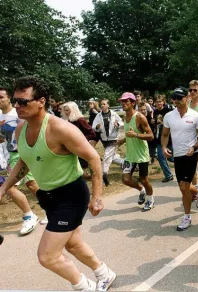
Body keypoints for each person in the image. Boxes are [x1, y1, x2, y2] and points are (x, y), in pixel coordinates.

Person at [0, 76, 116, 291]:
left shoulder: (60, 128)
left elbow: (93, 158)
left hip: (71, 196)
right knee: (73, 243)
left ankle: (84, 287)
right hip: (47, 196)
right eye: (15, 101)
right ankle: (104, 273)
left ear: (41, 101)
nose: (17, 106)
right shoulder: (20, 130)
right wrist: (3, 188)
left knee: (47, 256)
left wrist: (97, 195)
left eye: (23, 101)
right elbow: (24, 161)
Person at [162, 87, 198, 231]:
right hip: (178, 155)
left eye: (180, 97)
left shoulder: (196, 116)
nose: (177, 100)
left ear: (187, 98)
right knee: (183, 186)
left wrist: (194, 147)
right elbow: (165, 135)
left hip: (191, 154)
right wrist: (163, 147)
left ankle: (187, 217)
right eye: (174, 98)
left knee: (183, 187)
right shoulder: (168, 116)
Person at [0, 86, 41, 234]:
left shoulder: (18, 113)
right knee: (31, 184)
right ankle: (51, 209)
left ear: (9, 98)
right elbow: (3, 139)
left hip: (22, 153)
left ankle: (29, 215)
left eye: (1, 97)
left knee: (9, 187)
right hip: (12, 154)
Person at [119, 92, 155, 212]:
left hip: (141, 155)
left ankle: (150, 200)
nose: (123, 103)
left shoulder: (139, 117)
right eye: (122, 101)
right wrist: (122, 140)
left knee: (144, 179)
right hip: (130, 155)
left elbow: (151, 136)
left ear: (133, 103)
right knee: (125, 179)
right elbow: (130, 134)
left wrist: (136, 135)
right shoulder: (125, 117)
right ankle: (141, 190)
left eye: (126, 101)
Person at [92, 99, 124, 186]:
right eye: (101, 104)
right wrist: (97, 126)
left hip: (113, 139)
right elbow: (93, 126)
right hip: (104, 139)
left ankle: (104, 174)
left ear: (108, 105)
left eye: (104, 104)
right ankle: (126, 164)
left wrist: (118, 124)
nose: (102, 106)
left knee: (106, 155)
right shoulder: (98, 115)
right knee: (111, 157)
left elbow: (121, 122)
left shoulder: (113, 114)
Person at [62, 101, 97, 180]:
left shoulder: (80, 120)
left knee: (84, 172)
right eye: (65, 110)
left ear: (73, 109)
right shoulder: (68, 121)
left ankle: (96, 177)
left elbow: (92, 133)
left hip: (82, 148)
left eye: (67, 110)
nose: (66, 112)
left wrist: (80, 139)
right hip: (72, 148)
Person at [153, 95, 174, 182]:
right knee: (160, 157)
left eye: (160, 101)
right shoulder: (155, 112)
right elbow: (156, 124)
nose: (159, 103)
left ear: (163, 102)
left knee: (172, 158)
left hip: (170, 138)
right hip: (160, 138)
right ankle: (168, 175)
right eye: (157, 102)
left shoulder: (168, 110)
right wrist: (154, 122)